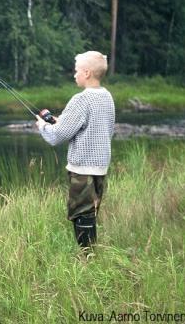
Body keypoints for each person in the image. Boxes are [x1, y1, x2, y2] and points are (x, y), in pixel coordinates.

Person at [35, 51, 115, 250]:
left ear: (87, 73)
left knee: (81, 213)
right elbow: (96, 126)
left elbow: (56, 137)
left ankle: (87, 258)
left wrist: (42, 126)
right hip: (100, 167)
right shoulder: (107, 97)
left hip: (82, 169)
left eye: (76, 70)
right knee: (91, 212)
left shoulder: (80, 100)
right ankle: (91, 255)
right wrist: (60, 121)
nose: (74, 74)